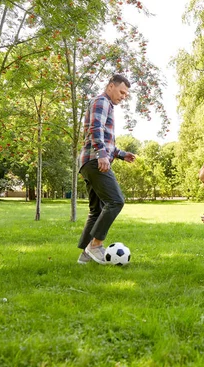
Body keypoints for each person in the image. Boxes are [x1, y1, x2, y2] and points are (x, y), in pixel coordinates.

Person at [77, 74, 136, 265]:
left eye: (126, 94)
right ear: (111, 86)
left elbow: (107, 140)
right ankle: (95, 246)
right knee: (116, 201)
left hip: (89, 161)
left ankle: (85, 257)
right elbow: (95, 129)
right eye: (121, 92)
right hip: (95, 160)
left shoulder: (106, 105)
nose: (123, 96)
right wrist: (102, 154)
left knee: (97, 210)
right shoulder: (101, 101)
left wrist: (121, 154)